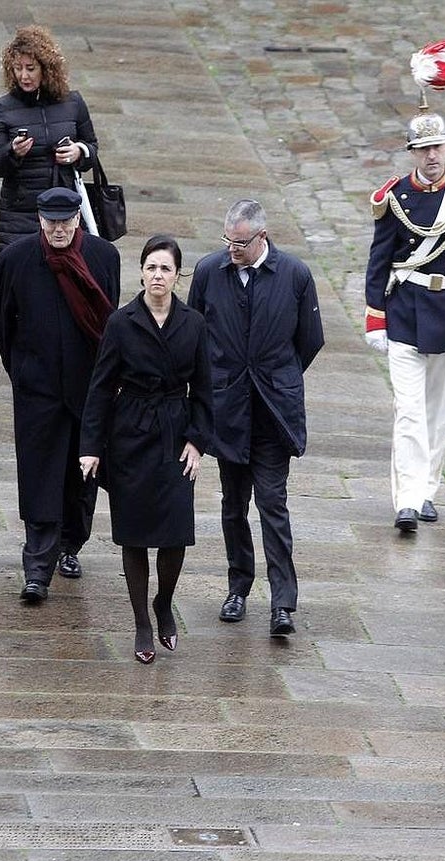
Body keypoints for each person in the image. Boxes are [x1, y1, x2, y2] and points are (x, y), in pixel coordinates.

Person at [187, 199, 324, 638]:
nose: (232, 248)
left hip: (272, 412)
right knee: (232, 506)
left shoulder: (295, 275)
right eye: (227, 240)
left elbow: (309, 341)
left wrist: (277, 378)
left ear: (262, 237)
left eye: (241, 243)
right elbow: (195, 334)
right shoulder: (209, 272)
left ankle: (282, 602)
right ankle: (238, 588)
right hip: (228, 409)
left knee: (272, 504)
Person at [79, 235, 213, 663]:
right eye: (151, 267)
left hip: (175, 433)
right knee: (133, 534)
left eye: (166, 269)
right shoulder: (121, 323)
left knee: (175, 533)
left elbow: (206, 389)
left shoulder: (193, 323)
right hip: (130, 435)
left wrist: (197, 441)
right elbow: (100, 388)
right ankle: (141, 622)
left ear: (177, 276)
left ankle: (163, 602)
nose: (158, 275)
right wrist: (91, 447)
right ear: (141, 273)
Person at [364, 99, 445, 533]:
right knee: (409, 411)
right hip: (405, 311)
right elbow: (379, 260)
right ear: (412, 153)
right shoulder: (395, 197)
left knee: (438, 412)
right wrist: (375, 315)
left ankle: (427, 491)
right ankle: (406, 498)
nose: (432, 156)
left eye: (437, 147)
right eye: (423, 149)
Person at [0, 187, 120, 602]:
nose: (59, 230)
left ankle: (71, 545)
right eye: (51, 222)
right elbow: (4, 324)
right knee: (39, 476)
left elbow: (109, 325)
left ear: (78, 220)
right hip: (38, 389)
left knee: (82, 475)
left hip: (87, 386)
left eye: (65, 222)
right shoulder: (16, 259)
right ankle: (37, 568)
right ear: (39, 220)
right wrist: (24, 373)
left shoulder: (103, 256)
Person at [0, 25, 99, 253]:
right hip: (20, 215)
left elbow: (92, 148)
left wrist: (79, 152)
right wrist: (12, 152)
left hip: (64, 211)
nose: (23, 76)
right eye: (17, 68)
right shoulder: (2, 108)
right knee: (20, 270)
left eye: (30, 68)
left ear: (46, 68)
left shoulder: (73, 102)